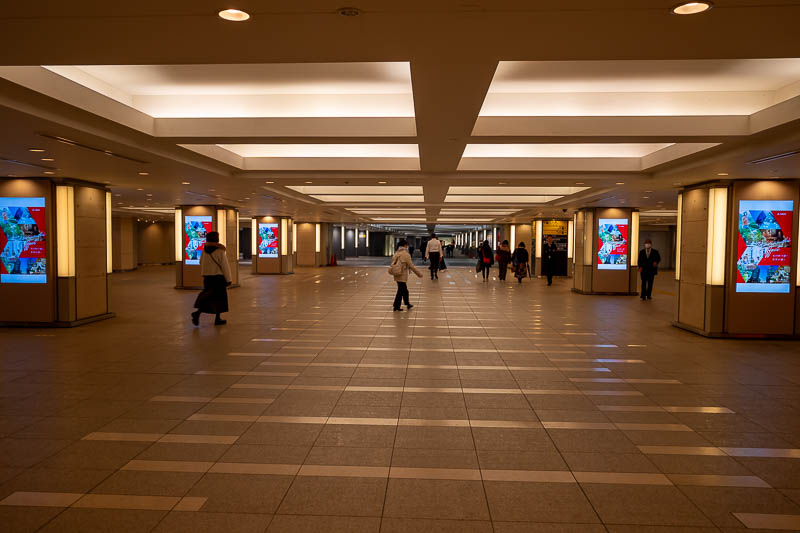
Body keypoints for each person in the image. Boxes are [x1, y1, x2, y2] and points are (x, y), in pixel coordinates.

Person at [191, 231, 232, 326]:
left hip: (208, 279)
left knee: (208, 297)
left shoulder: (204, 251)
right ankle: (216, 318)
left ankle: (198, 313)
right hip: (218, 279)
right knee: (220, 299)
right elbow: (225, 266)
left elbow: (200, 262)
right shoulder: (220, 251)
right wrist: (228, 279)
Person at [391, 239, 423, 311]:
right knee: (401, 291)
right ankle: (396, 305)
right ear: (405, 245)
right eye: (407, 245)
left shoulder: (396, 253)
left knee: (403, 290)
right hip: (402, 274)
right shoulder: (405, 254)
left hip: (396, 273)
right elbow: (411, 266)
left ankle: (406, 304)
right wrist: (419, 274)